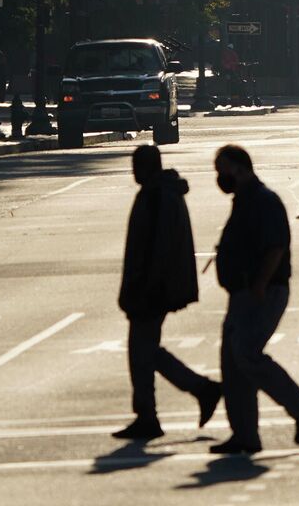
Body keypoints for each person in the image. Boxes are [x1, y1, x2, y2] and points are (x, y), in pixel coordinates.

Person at [210, 145, 299, 454]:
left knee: (246, 353)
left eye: (224, 170)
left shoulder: (263, 200)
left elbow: (276, 246)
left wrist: (259, 283)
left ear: (241, 168)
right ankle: (245, 435)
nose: (220, 177)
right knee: (232, 364)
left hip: (264, 291)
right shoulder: (243, 200)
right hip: (241, 293)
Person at [114, 144, 220, 440]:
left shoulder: (156, 197)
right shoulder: (163, 192)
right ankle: (190, 394)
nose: (134, 172)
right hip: (154, 287)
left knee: (141, 351)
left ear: (148, 168)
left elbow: (156, 249)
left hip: (152, 289)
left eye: (138, 166)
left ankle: (162, 409)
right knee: (146, 351)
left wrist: (146, 287)